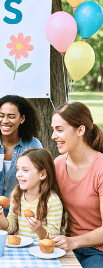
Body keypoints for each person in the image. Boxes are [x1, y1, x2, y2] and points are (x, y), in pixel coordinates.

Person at [51, 101, 103, 268]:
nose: (53, 136)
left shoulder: (100, 168)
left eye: (59, 130)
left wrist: (73, 242)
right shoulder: (58, 164)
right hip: (66, 245)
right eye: (53, 129)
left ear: (80, 130)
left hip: (97, 250)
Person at [0, 95, 42, 230]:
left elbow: (38, 182)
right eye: (1, 116)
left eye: (11, 116)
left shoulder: (33, 145)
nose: (5, 121)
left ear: (22, 119)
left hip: (21, 209)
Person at [0, 148, 63, 239]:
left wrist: (39, 229)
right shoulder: (17, 194)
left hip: (40, 250)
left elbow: (54, 236)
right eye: (18, 169)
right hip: (21, 250)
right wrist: (1, 217)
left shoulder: (52, 201)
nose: (18, 174)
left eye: (25, 170)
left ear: (42, 174)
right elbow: (11, 228)